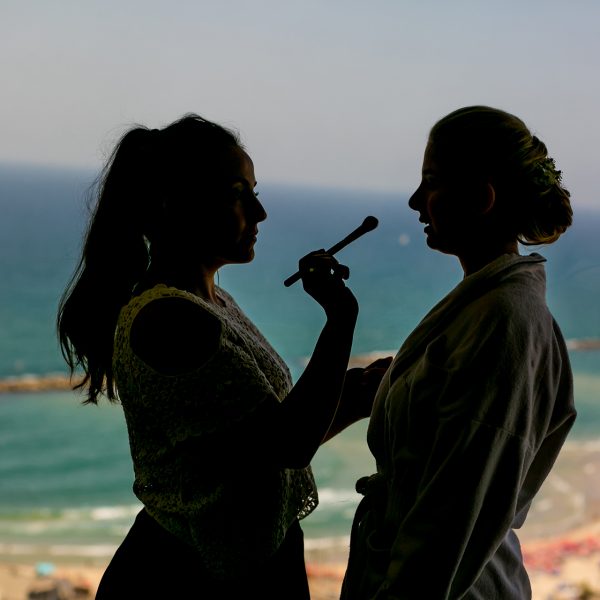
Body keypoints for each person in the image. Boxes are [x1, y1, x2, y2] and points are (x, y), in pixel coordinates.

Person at [56, 114, 388, 599]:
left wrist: (354, 397)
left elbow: (252, 444)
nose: (259, 212)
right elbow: (288, 444)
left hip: (229, 562)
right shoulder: (171, 319)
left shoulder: (213, 303)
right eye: (238, 193)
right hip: (189, 577)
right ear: (175, 204)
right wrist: (340, 318)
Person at [341, 106, 576, 599]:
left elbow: (450, 522)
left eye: (430, 182)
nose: (414, 201)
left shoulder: (501, 323)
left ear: (481, 197)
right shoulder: (488, 306)